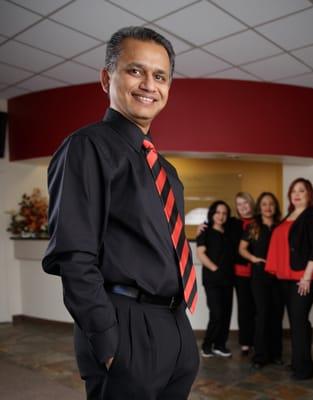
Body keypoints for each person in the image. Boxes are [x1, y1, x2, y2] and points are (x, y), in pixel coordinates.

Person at [42, 27, 199, 400]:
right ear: (106, 78)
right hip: (126, 327)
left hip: (176, 326)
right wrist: (108, 343)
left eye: (160, 76)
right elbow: (74, 255)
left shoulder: (166, 171)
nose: (149, 84)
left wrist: (183, 338)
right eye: (135, 71)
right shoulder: (86, 147)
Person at [265, 178, 313, 380]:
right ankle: (299, 363)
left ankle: (304, 370)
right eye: (293, 191)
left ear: (309, 194)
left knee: (299, 320)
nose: (296, 194)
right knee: (297, 321)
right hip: (286, 277)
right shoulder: (288, 217)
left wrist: (306, 278)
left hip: (306, 277)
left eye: (301, 191)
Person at [239, 192, 284, 369]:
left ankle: (276, 354)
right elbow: (242, 249)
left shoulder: (281, 226)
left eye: (271, 204)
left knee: (277, 315)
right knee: (262, 314)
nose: (268, 207)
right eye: (264, 204)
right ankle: (260, 356)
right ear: (260, 207)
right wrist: (254, 258)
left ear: (275, 207)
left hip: (279, 276)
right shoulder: (253, 226)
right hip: (259, 276)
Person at [196, 201, 234, 358]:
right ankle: (207, 345)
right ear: (212, 214)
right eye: (218, 212)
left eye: (224, 213)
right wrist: (215, 269)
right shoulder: (205, 231)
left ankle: (220, 345)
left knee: (226, 314)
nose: (221, 216)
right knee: (216, 313)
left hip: (228, 279)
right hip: (212, 279)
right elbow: (200, 254)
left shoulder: (229, 232)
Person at [230, 192, 256, 355]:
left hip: (261, 272)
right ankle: (245, 342)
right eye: (239, 204)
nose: (243, 207)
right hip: (240, 273)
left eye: (245, 203)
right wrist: (201, 227)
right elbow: (214, 222)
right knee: (245, 308)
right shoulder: (233, 223)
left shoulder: (261, 220)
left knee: (260, 309)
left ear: (251, 203)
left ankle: (259, 340)